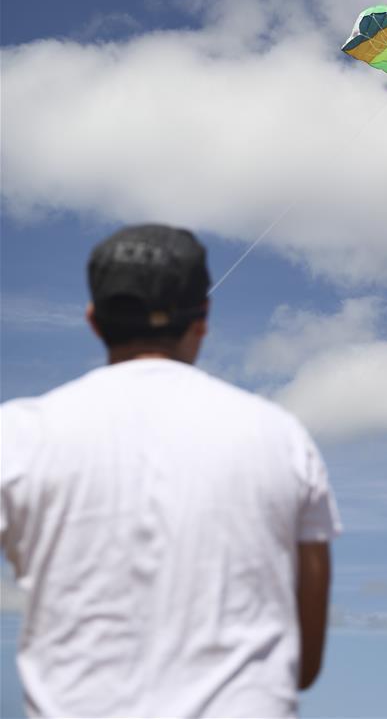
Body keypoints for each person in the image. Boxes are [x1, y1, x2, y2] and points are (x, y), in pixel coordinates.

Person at [1, 224, 341, 719]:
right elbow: (304, 665)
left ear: (94, 320)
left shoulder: (17, 434)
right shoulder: (282, 436)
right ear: (202, 318)